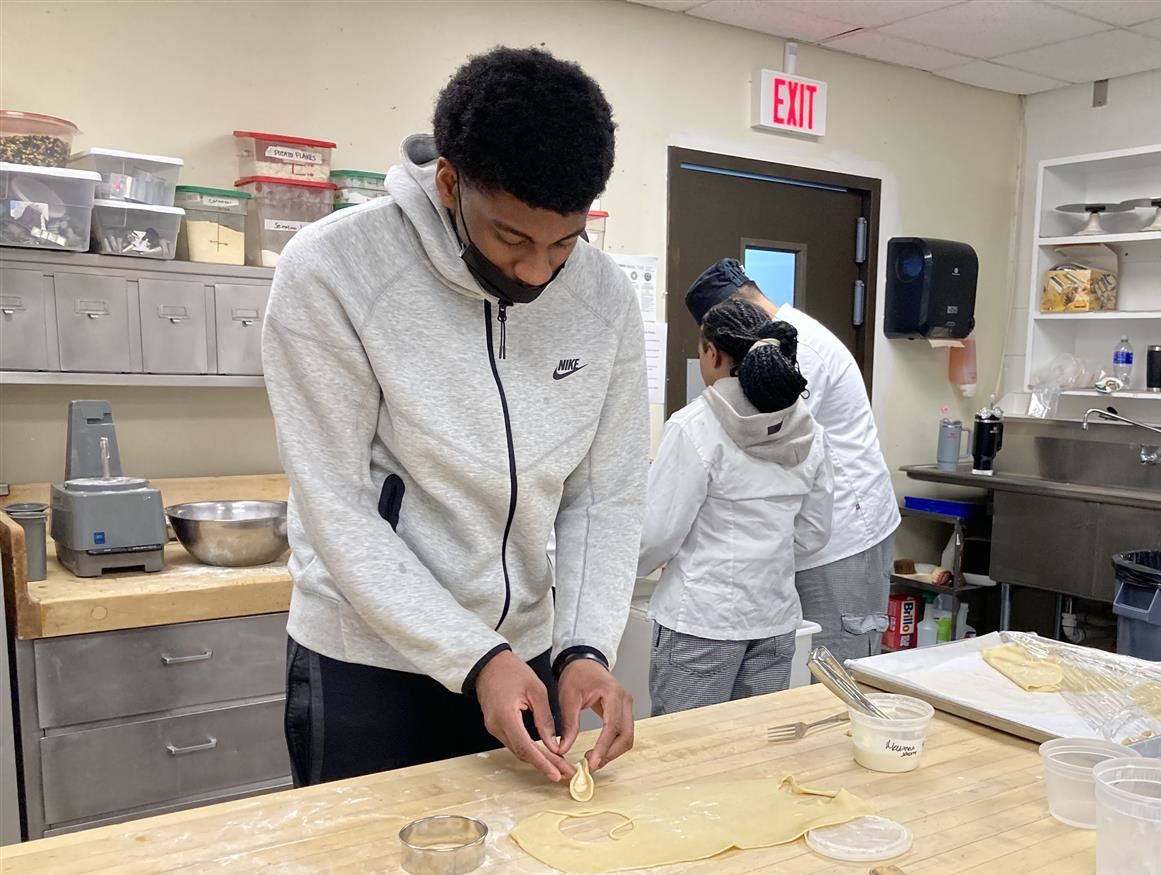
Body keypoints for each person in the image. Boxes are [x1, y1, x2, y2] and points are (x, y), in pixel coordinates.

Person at [263, 47, 647, 786]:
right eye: (512, 238)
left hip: (525, 658)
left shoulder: (603, 300)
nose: (538, 271)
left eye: (563, 242)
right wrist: (474, 657)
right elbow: (338, 506)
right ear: (449, 183)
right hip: (368, 662)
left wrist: (585, 648)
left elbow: (606, 495)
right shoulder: (332, 270)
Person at [684, 260, 899, 662]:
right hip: (809, 533)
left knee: (836, 664)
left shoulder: (799, 350)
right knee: (803, 665)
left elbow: (762, 440)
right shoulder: (775, 344)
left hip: (845, 536)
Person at [638, 299, 834, 715]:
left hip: (700, 623)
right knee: (752, 754)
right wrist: (764, 560)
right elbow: (815, 532)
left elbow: (654, 536)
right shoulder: (809, 431)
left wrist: (626, 572)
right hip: (775, 621)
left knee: (684, 757)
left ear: (713, 353)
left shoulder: (695, 427)